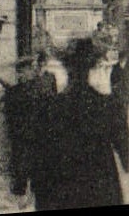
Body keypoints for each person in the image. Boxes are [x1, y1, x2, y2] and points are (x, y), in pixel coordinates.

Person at [30, 38, 129, 210]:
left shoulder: (50, 106)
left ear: (67, 68)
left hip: (60, 187)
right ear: (92, 67)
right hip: (101, 186)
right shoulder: (107, 105)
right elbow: (125, 150)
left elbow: (38, 155)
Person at [2, 52, 56, 200]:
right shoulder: (19, 90)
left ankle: (27, 195)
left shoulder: (23, 89)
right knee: (24, 167)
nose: (25, 74)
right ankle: (24, 196)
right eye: (23, 71)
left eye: (27, 70)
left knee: (29, 166)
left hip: (31, 134)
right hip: (27, 134)